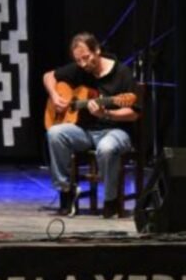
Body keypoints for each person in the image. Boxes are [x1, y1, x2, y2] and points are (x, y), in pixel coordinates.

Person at [44, 32, 139, 218]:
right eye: (78, 60)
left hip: (117, 131)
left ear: (97, 50)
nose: (83, 64)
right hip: (86, 132)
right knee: (55, 133)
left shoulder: (122, 73)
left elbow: (134, 113)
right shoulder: (80, 69)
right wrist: (55, 97)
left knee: (106, 148)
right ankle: (66, 192)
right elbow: (48, 76)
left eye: (86, 58)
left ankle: (110, 201)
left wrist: (107, 113)